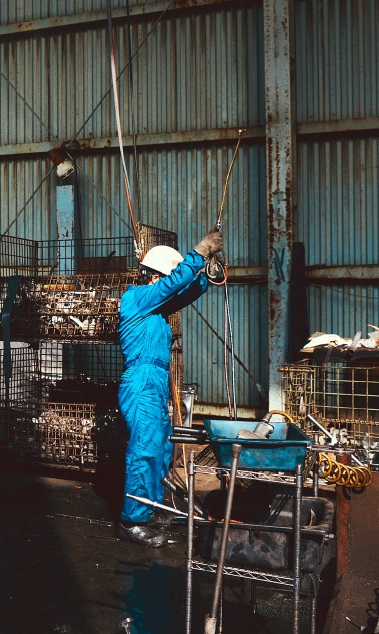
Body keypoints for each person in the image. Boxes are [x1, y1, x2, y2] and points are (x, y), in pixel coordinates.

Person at [116, 230, 223, 547]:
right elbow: (174, 285)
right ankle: (131, 520)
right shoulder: (135, 299)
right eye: (167, 277)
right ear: (156, 276)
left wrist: (207, 273)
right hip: (141, 380)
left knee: (161, 450)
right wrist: (200, 252)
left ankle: (152, 509)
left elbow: (186, 292)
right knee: (144, 449)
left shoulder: (158, 309)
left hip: (155, 382)